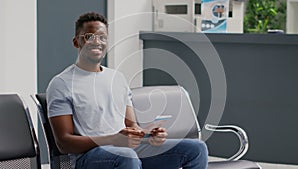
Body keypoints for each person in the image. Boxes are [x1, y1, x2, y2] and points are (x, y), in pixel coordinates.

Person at [46, 12, 208, 169]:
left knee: (196, 150)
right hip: (88, 157)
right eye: (89, 37)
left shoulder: (117, 78)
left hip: (126, 151)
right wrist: (114, 140)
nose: (97, 42)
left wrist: (148, 134)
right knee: (127, 156)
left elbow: (131, 125)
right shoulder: (61, 84)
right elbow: (64, 143)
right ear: (76, 42)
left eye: (102, 37)